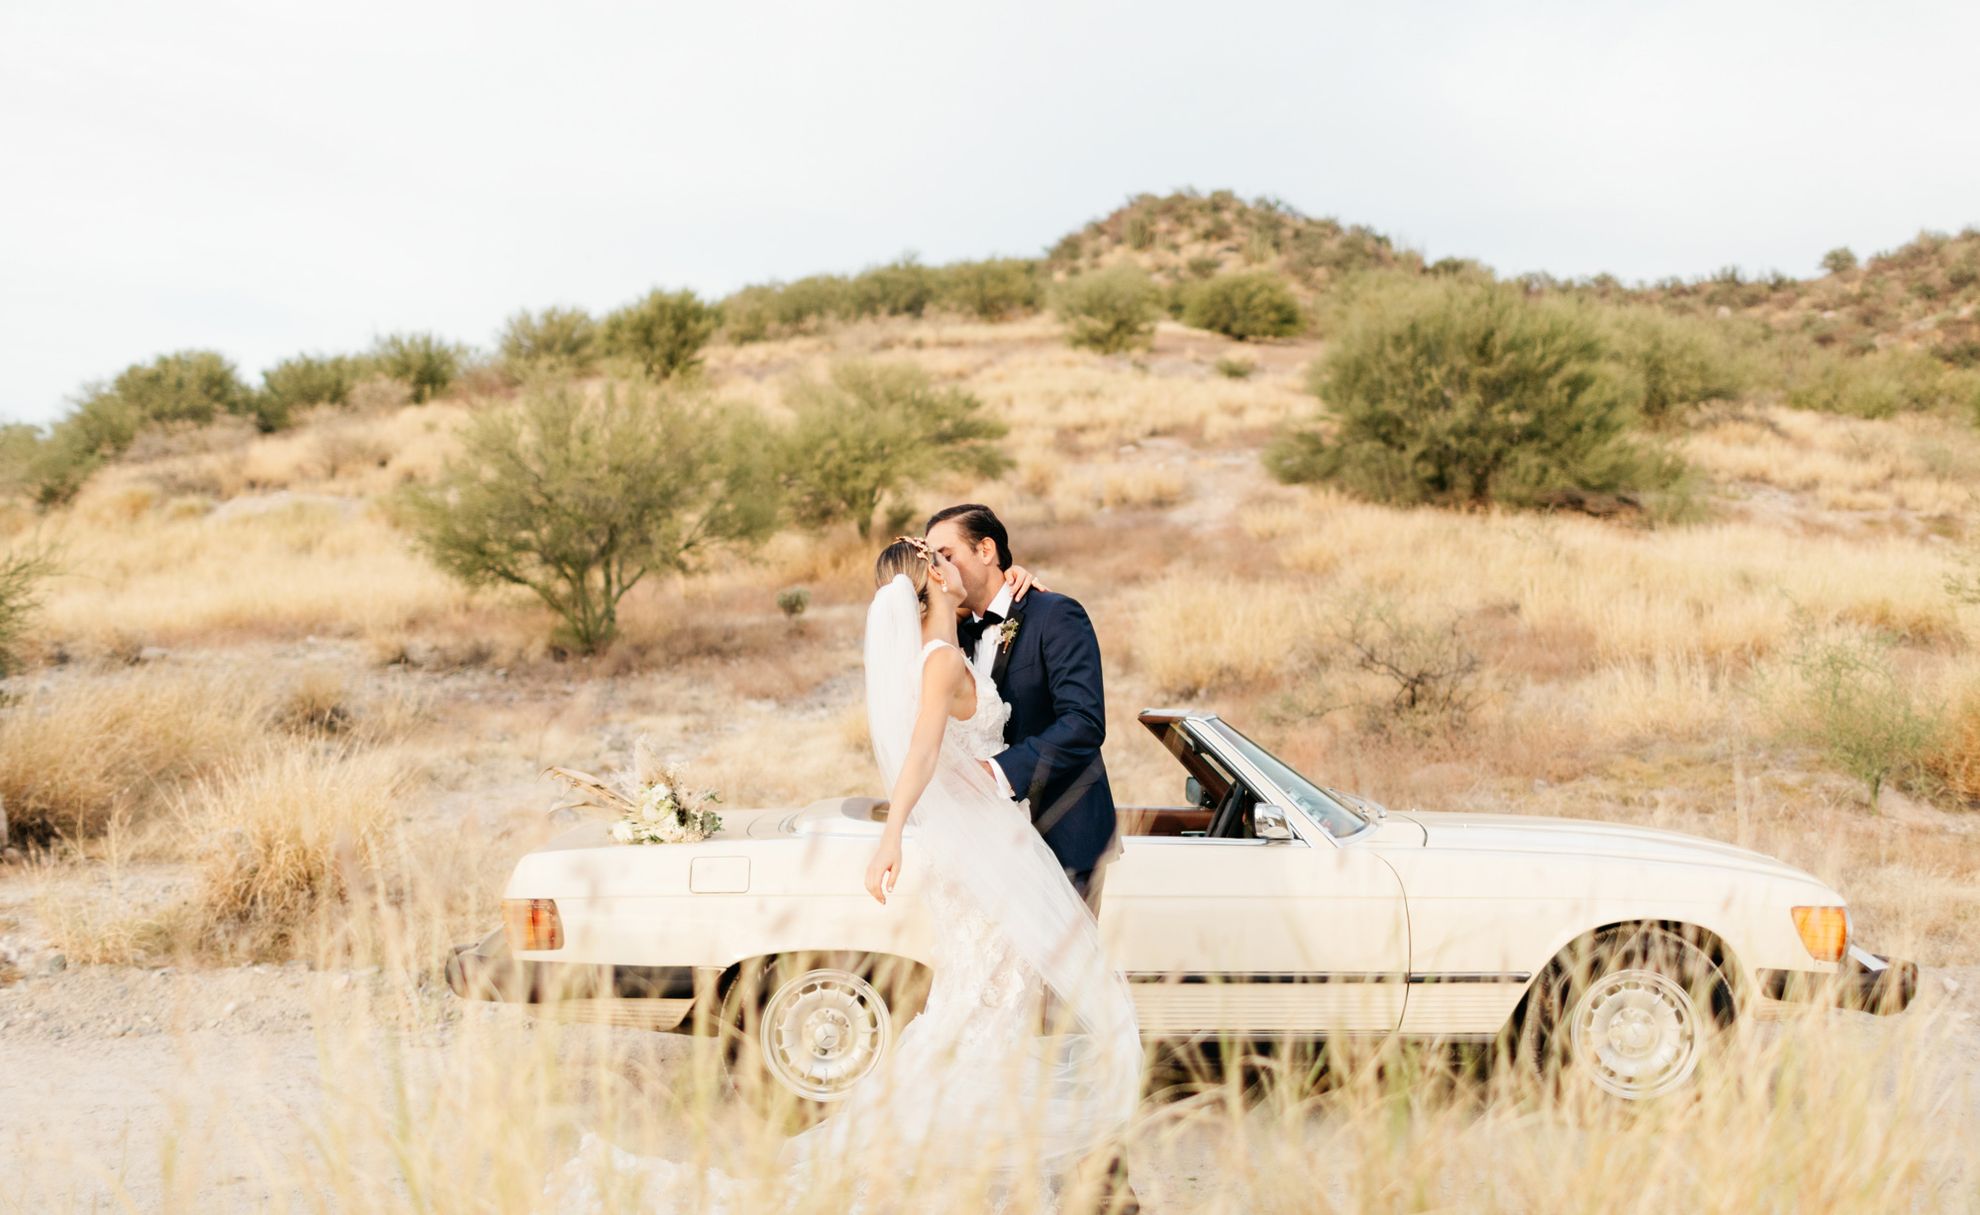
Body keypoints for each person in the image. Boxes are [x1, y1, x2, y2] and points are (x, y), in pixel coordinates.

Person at [554, 535, 1140, 1212]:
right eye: (938, 558)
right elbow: (922, 755)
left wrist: (1014, 585)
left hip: (987, 851)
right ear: (929, 583)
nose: (950, 563)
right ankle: (971, 1175)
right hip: (986, 858)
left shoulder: (952, 644)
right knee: (992, 1012)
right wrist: (890, 837)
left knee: (982, 1009)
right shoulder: (942, 658)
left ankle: (984, 1168)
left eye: (950, 551)